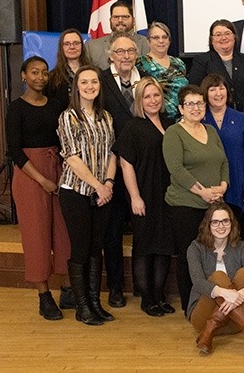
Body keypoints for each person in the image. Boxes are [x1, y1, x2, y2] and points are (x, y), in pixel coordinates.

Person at [7, 56, 71, 320]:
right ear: (24, 75)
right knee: (37, 237)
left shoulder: (56, 105)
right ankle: (44, 297)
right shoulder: (16, 108)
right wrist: (43, 180)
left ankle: (68, 289)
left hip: (58, 169)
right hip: (30, 176)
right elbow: (15, 151)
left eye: (44, 72)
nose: (40, 77)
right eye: (34, 72)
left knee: (64, 233)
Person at [57, 65, 118, 326]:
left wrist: (108, 183)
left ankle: (95, 303)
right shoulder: (68, 117)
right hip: (76, 192)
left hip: (102, 191)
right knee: (81, 249)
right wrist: (98, 186)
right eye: (84, 82)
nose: (90, 86)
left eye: (94, 81)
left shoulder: (106, 117)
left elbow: (112, 153)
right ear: (76, 87)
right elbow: (72, 158)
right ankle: (82, 307)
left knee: (96, 247)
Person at [163, 85, 229, 314]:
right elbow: (176, 169)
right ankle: (190, 306)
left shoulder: (210, 130)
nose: (196, 108)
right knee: (189, 256)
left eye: (200, 103)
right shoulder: (174, 133)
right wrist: (203, 192)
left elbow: (223, 161)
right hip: (185, 206)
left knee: (212, 255)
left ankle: (211, 302)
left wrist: (223, 186)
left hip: (214, 206)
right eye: (190, 104)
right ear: (181, 108)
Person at [114, 77, 175, 317]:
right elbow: (126, 164)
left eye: (156, 95)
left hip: (167, 194)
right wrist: (135, 197)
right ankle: (147, 298)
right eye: (147, 96)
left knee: (164, 246)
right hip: (144, 193)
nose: (152, 100)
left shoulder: (170, 123)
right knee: (145, 246)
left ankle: (159, 295)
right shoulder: (133, 127)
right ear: (140, 100)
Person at [188, 202, 244, 359]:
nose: (221, 226)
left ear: (232, 223)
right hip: (202, 318)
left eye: (225, 221)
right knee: (218, 277)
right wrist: (225, 293)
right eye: (215, 222)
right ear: (208, 225)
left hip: (235, 324)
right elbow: (198, 282)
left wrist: (240, 294)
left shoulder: (240, 248)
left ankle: (210, 329)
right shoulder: (195, 248)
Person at [100, 31, 142, 308]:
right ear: (110, 55)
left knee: (142, 228)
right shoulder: (100, 81)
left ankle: (142, 283)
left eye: (130, 51)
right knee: (113, 231)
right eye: (120, 51)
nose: (125, 56)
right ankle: (115, 286)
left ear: (137, 55)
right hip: (112, 165)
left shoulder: (145, 80)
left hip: (141, 165)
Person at [201, 73, 244, 228]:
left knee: (234, 229)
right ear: (205, 94)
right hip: (211, 185)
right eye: (212, 89)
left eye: (221, 88)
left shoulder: (241, 118)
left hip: (238, 183)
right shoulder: (200, 120)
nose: (218, 93)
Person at [187, 19, 244, 110]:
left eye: (227, 33)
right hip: (212, 114)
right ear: (211, 40)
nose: (223, 38)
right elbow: (195, 91)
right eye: (218, 35)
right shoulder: (202, 61)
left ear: (234, 37)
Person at [135, 21, 189, 121]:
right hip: (156, 119)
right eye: (156, 38)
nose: (161, 41)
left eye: (164, 37)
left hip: (182, 119)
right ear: (148, 41)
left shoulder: (179, 63)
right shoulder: (140, 64)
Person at [85, 0, 149, 70]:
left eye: (125, 17)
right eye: (116, 17)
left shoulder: (147, 43)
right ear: (110, 20)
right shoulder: (92, 47)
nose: (120, 20)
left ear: (133, 20)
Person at [45, 28, 90, 113]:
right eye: (67, 44)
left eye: (76, 43)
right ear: (61, 48)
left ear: (82, 46)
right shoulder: (52, 77)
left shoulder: (94, 73)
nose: (72, 47)